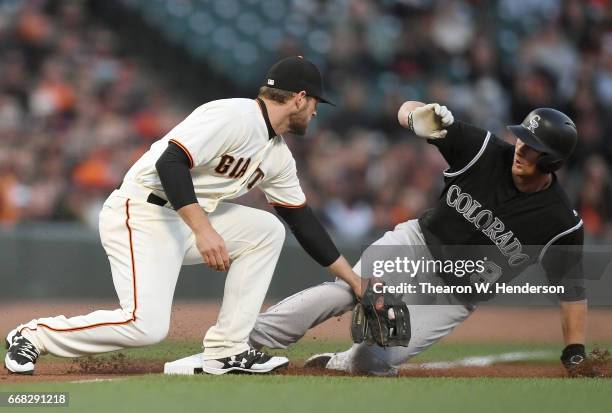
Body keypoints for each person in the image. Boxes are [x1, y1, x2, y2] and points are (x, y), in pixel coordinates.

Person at [4, 56, 362, 375]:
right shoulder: (234, 115)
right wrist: (204, 230)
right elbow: (170, 163)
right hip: (142, 212)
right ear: (299, 97)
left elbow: (302, 222)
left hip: (187, 220)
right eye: (315, 102)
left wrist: (355, 283)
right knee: (146, 327)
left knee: (267, 229)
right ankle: (34, 335)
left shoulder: (278, 156)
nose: (315, 111)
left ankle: (227, 351)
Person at [249, 102, 590, 376]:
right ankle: (245, 339)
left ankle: (343, 362)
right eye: (522, 139)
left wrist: (574, 349)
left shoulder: (560, 223)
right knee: (349, 292)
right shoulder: (483, 150)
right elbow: (405, 111)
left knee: (374, 362)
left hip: (454, 298)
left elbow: (572, 290)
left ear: (553, 162)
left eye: (533, 148)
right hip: (415, 247)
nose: (521, 149)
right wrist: (416, 115)